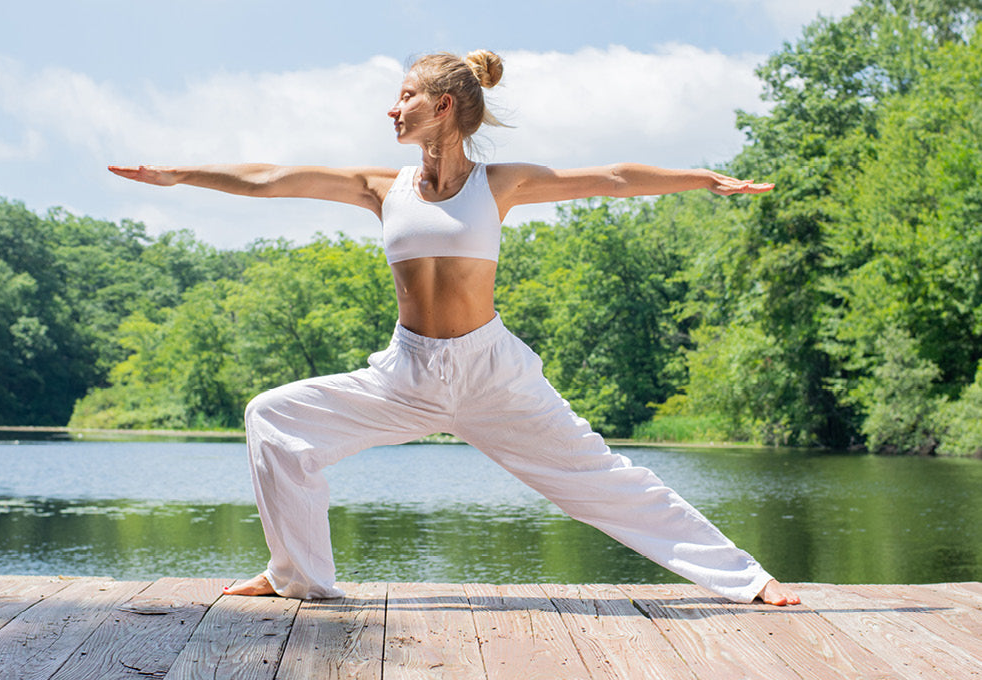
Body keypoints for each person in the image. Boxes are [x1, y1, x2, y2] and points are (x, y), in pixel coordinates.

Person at [109, 49, 800, 606]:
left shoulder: (501, 183)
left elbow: (614, 177)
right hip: (405, 373)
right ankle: (298, 576)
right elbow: (268, 178)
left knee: (603, 479)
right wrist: (181, 175)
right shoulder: (381, 187)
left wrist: (702, 180)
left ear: (443, 106)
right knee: (275, 419)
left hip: (490, 374)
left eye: (405, 95)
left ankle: (745, 579)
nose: (392, 106)